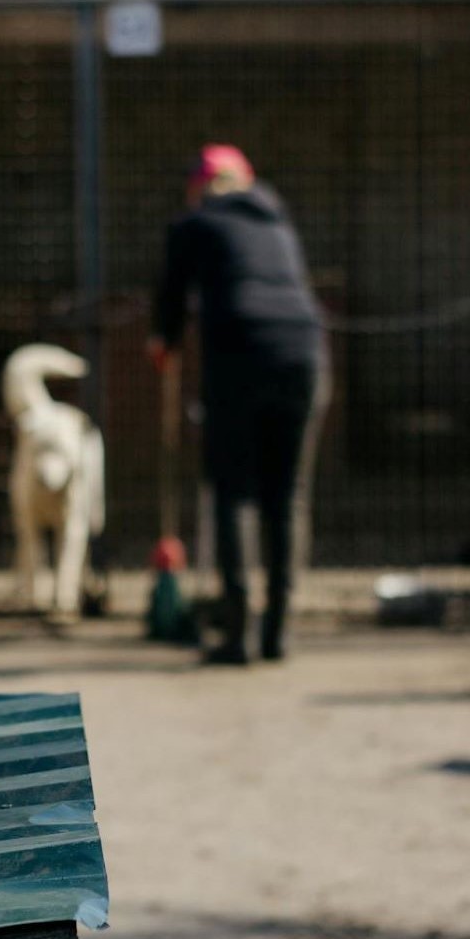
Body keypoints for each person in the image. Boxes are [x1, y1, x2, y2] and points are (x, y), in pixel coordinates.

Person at [150, 144, 326, 665]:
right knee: (286, 492)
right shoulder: (278, 221)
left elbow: (170, 298)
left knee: (233, 491)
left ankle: (237, 632)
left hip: (240, 351)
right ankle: (277, 629)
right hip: (304, 352)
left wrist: (162, 341)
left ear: (199, 186)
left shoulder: (195, 223)